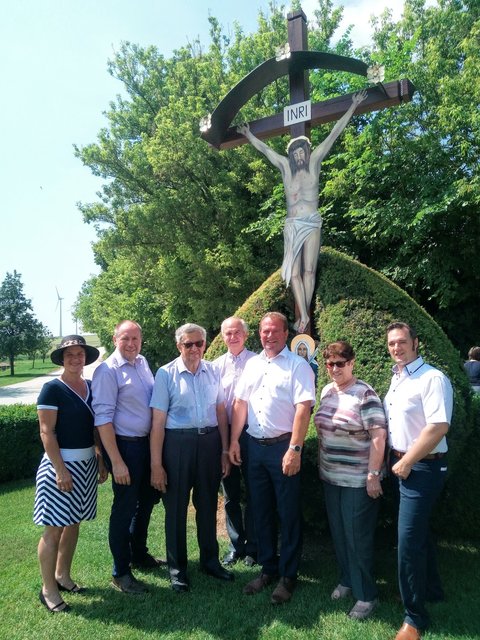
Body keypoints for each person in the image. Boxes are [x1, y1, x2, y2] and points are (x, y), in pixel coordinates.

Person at [237, 90, 367, 334]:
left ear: (306, 152)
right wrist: (248, 134)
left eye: (301, 151)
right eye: (294, 152)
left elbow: (333, 134)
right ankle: (305, 315)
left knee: (309, 270)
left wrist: (353, 106)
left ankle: (304, 318)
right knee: (293, 273)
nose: (298, 155)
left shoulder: (315, 163)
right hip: (292, 225)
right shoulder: (286, 169)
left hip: (311, 221)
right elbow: (266, 151)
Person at [229, 312, 316, 604]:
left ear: (285, 334)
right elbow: (240, 403)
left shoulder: (298, 366)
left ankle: (288, 576)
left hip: (283, 448)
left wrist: (295, 449)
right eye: (265, 331)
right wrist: (233, 442)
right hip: (254, 447)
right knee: (260, 510)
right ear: (260, 333)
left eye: (275, 331)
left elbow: (304, 409)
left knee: (288, 512)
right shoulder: (252, 364)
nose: (269, 336)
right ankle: (268, 569)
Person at [150, 323, 233, 592]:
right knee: (175, 509)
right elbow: (158, 422)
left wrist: (223, 450)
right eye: (188, 344)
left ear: (205, 344)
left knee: (208, 505)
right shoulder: (166, 374)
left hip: (209, 444)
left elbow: (220, 411)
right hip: (177, 445)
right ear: (179, 346)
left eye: (199, 343)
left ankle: (210, 562)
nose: (195, 349)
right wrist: (156, 464)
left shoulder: (213, 371)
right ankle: (177, 570)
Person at [384, 322, 453, 640]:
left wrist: (407, 461)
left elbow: (438, 426)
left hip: (422, 468)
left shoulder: (432, 378)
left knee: (408, 544)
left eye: (402, 342)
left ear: (416, 343)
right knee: (419, 535)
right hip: (404, 465)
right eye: (391, 344)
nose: (396, 348)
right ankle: (433, 590)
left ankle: (414, 619)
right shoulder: (398, 378)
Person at [314, 341, 386, 620]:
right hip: (331, 477)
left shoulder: (364, 394)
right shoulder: (327, 391)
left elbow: (379, 436)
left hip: (358, 479)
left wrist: (373, 475)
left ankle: (367, 595)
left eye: (340, 363)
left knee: (357, 537)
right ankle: (347, 580)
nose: (334, 369)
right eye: (330, 364)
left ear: (352, 363)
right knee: (340, 534)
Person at [34, 335, 106, 613]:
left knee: (73, 523)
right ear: (62, 360)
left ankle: (62, 575)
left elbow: (95, 428)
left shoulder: (90, 387)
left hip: (87, 464)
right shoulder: (52, 389)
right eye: (69, 355)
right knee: (54, 528)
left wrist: (99, 458)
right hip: (60, 467)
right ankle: (48, 589)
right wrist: (60, 470)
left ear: (85, 358)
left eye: (79, 354)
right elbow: (46, 432)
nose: (75, 359)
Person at [92, 320, 161, 595]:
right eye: (125, 339)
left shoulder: (142, 362)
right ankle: (120, 572)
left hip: (145, 446)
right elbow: (103, 419)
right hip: (124, 448)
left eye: (135, 338)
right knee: (124, 509)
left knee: (145, 503)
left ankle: (138, 554)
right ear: (114, 339)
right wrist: (116, 461)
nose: (131, 344)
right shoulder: (107, 371)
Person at [213, 317, 257, 567]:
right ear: (223, 337)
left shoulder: (258, 362)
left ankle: (253, 546)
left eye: (237, 332)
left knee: (253, 492)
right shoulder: (216, 366)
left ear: (246, 334)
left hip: (252, 433)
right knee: (229, 493)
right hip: (225, 431)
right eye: (228, 333)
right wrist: (225, 443)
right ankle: (235, 544)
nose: (233, 337)